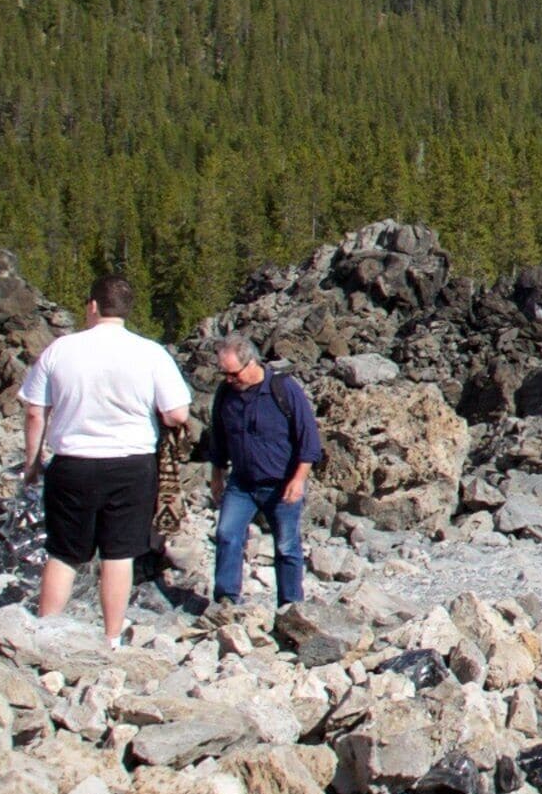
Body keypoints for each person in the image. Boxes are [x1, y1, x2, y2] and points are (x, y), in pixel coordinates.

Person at [16, 276, 194, 644]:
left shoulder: (60, 349)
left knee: (63, 553)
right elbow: (177, 414)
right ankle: (112, 638)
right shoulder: (150, 353)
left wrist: (33, 463)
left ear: (93, 306)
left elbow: (36, 412)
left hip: (73, 463)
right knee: (118, 554)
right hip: (131, 464)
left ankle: (45, 634)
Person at [200, 335, 321, 609]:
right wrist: (217, 475)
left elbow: (308, 439)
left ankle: (290, 607)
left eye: (233, 373)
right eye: (224, 374)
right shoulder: (225, 393)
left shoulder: (283, 389)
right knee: (227, 535)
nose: (229, 380)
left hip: (281, 483)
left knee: (286, 547)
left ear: (251, 362)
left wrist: (299, 479)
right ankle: (226, 600)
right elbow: (218, 438)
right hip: (241, 483)